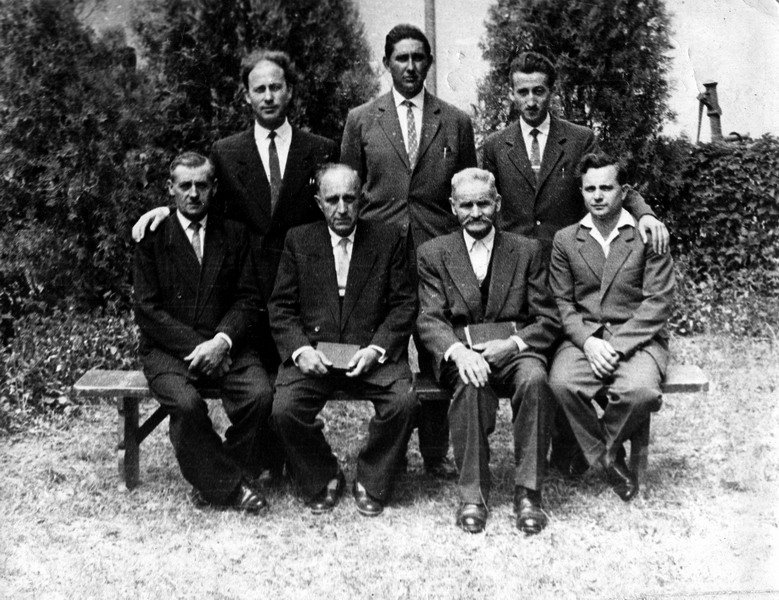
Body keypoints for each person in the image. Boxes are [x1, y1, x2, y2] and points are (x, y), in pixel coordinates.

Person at [482, 50, 669, 476]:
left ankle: (571, 451)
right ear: (511, 94)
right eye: (522, 91)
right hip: (517, 271)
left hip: (570, 261)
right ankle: (553, 447)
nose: (531, 100)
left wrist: (645, 214)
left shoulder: (579, 138)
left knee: (563, 351)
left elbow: (610, 181)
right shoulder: (494, 146)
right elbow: (483, 200)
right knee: (543, 360)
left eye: (539, 90)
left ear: (552, 91)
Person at [131, 49, 338, 369]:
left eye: (275, 87)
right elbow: (203, 202)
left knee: (300, 384)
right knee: (257, 386)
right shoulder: (226, 152)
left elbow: (339, 209)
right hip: (247, 297)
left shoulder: (321, 149)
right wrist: (167, 212)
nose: (268, 97)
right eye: (259, 89)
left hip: (301, 294)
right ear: (246, 96)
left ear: (289, 91)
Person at [341, 24, 478, 479]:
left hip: (438, 254)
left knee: (439, 348)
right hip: (380, 256)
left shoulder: (455, 121)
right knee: (389, 351)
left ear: (430, 63)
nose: (411, 66)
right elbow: (348, 187)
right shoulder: (362, 119)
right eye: (401, 58)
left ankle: (436, 451)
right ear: (387, 63)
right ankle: (393, 453)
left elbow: (468, 190)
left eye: (419, 57)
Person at [416, 168, 561, 535]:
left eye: (483, 203)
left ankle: (529, 493)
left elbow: (547, 318)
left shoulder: (527, 250)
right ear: (453, 207)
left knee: (535, 380)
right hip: (463, 354)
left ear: (498, 203)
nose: (476, 212)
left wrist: (512, 345)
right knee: (470, 385)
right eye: (466, 205)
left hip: (515, 352)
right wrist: (459, 353)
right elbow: (430, 319)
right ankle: (473, 495)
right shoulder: (433, 253)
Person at [268, 164, 418, 517]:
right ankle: (323, 474)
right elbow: (281, 307)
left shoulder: (388, 237)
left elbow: (404, 304)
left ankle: (372, 478)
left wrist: (377, 349)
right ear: (318, 202)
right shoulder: (299, 240)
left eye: (349, 199)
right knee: (284, 409)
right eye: (332, 199)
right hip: (316, 352)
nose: (342, 209)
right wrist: (300, 350)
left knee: (404, 403)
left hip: (369, 352)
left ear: (361, 198)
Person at [133, 152, 273, 512]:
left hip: (227, 345)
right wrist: (203, 347)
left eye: (202, 185)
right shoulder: (152, 237)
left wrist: (222, 342)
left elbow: (248, 299)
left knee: (260, 396)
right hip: (167, 349)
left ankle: (214, 474)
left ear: (214, 188)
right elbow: (147, 311)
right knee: (187, 405)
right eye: (185, 186)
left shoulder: (234, 233)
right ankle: (231, 486)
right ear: (171, 188)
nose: (193, 194)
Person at [548, 152, 675, 502]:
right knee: (561, 384)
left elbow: (658, 303)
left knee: (641, 392)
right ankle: (607, 458)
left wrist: (616, 347)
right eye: (590, 189)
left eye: (606, 188)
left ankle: (596, 450)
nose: (598, 196)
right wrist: (588, 342)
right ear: (581, 192)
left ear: (624, 191)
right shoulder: (566, 240)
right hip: (584, 338)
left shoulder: (648, 236)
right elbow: (562, 303)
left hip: (638, 339)